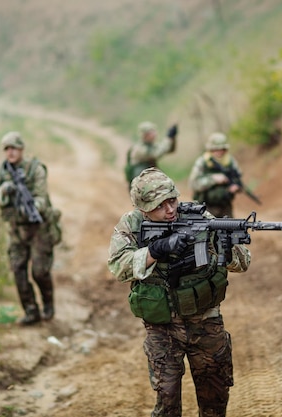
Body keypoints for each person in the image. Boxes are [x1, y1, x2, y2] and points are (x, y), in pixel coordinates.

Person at [108, 167, 251, 417]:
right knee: (168, 402)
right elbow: (119, 267)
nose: (170, 209)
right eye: (160, 205)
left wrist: (226, 248)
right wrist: (157, 250)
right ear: (143, 208)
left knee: (215, 400)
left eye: (172, 200)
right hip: (162, 326)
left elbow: (243, 263)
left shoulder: (200, 216)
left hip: (205, 320)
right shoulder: (131, 225)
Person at [0, 131, 62, 326]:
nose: (10, 152)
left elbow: (41, 196)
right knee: (18, 270)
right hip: (16, 230)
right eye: (7, 149)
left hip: (38, 227)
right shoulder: (2, 171)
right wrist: (4, 190)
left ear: (21, 149)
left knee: (39, 272)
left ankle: (48, 303)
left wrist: (30, 208)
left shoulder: (35, 169)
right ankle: (31, 311)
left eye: (14, 148)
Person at [189, 132, 242, 218]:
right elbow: (193, 184)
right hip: (206, 207)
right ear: (210, 149)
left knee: (230, 229)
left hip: (225, 207)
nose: (219, 152)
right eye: (216, 149)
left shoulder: (230, 162)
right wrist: (213, 179)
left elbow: (238, 179)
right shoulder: (202, 162)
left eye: (222, 149)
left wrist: (234, 187)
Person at [124, 121, 177, 187]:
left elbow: (170, 150)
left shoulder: (151, 146)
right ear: (145, 135)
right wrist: (168, 138)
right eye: (151, 132)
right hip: (139, 182)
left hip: (149, 179)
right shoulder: (139, 149)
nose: (155, 134)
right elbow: (156, 154)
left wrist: (172, 138)